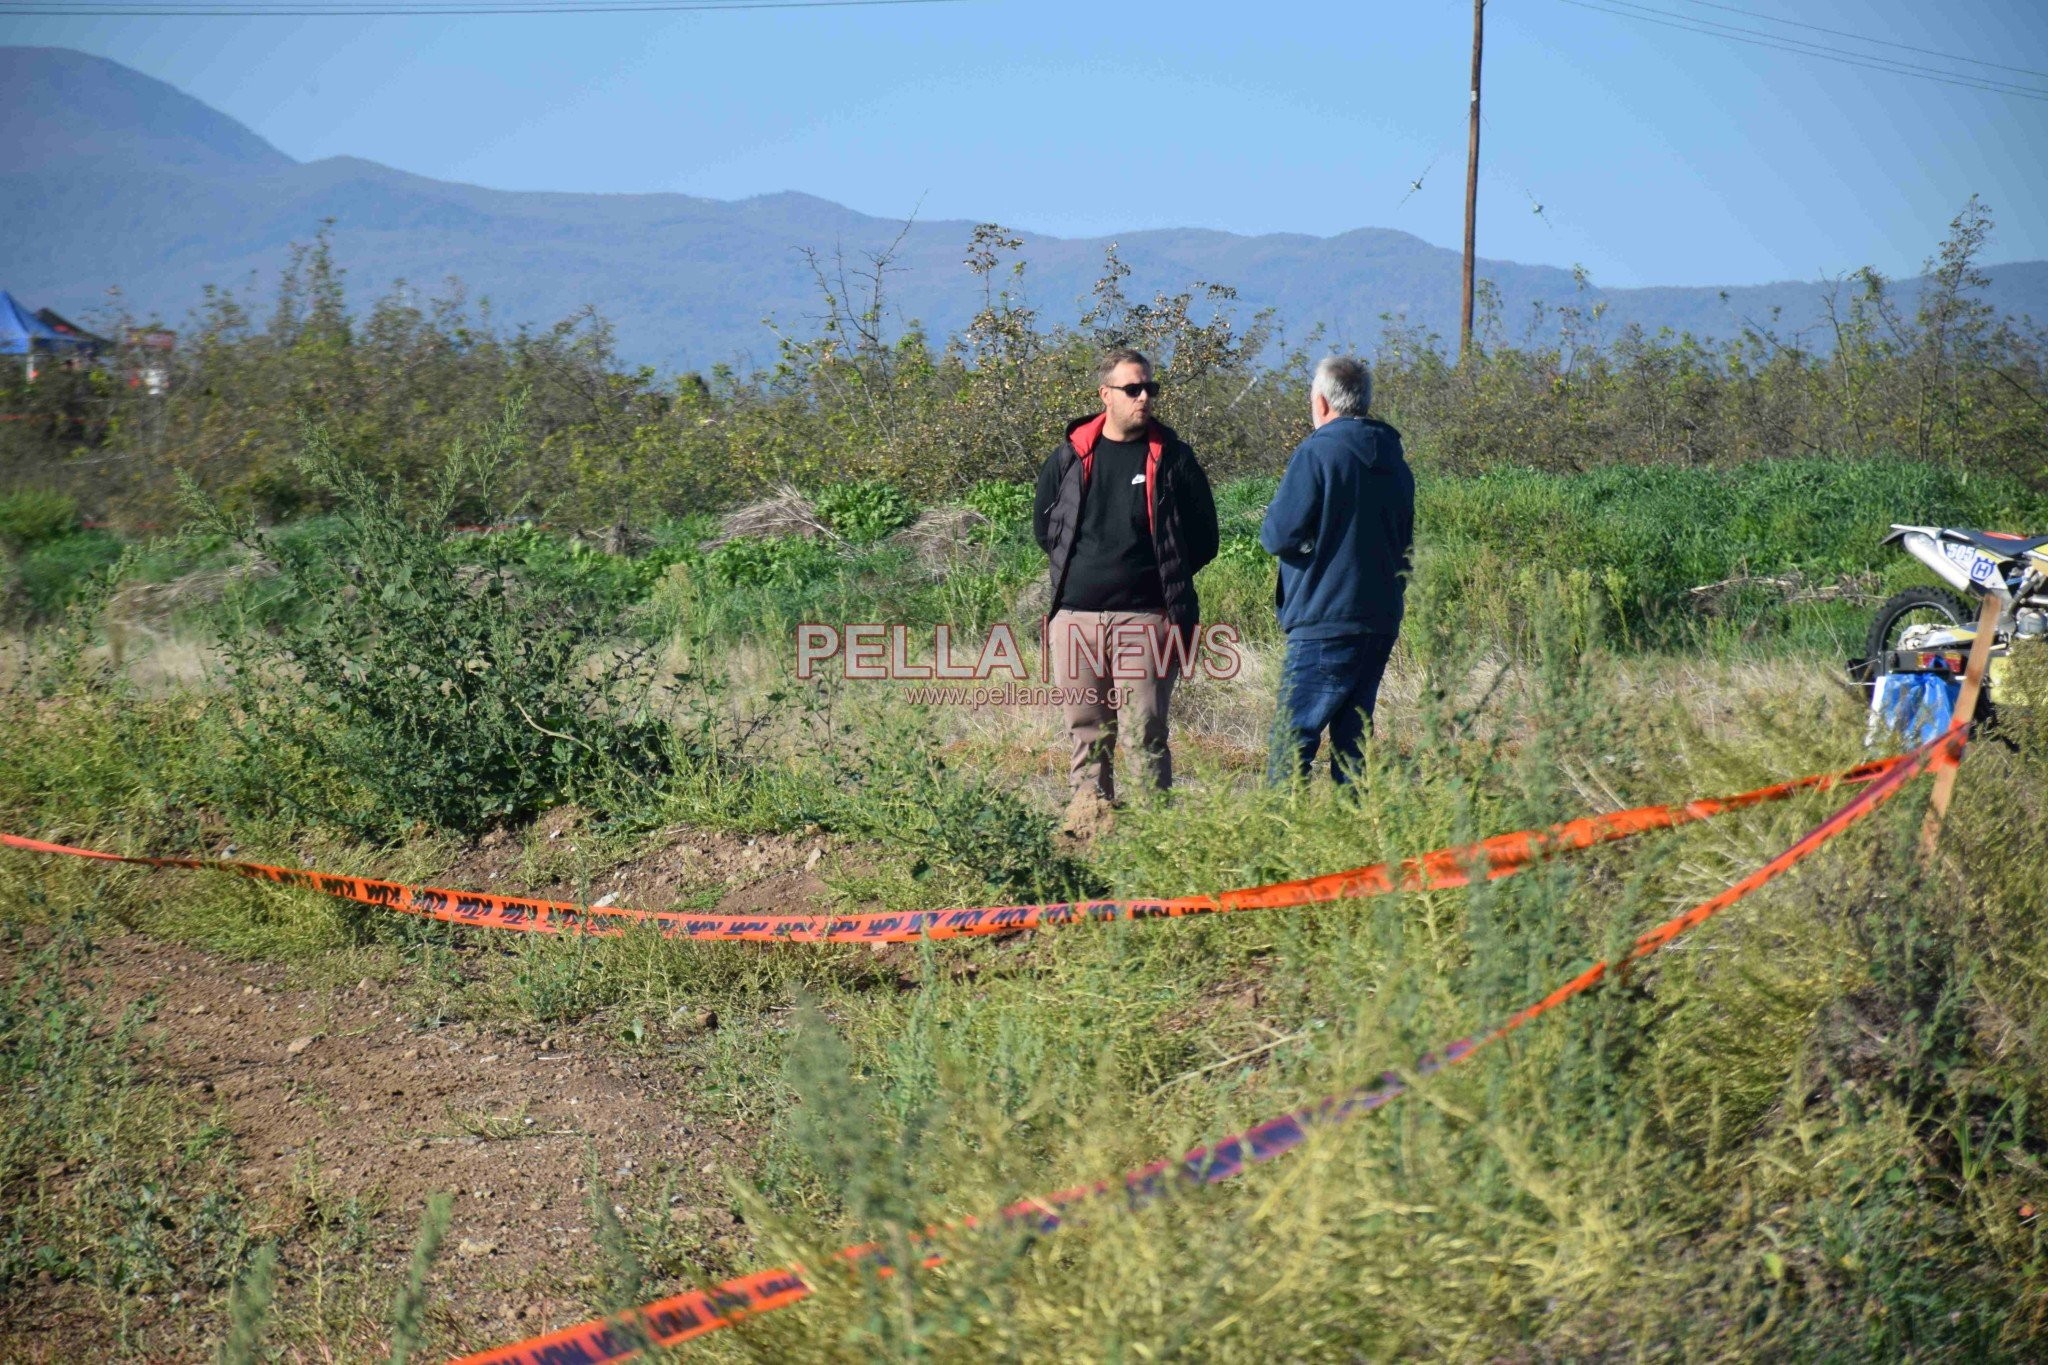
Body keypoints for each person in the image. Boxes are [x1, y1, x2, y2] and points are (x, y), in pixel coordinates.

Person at [1034, 348, 1218, 816]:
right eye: (1132, 389)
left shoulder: (1173, 458)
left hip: (1147, 618)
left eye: (1149, 389)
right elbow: (1046, 531)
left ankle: (1153, 841)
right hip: (1075, 619)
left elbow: (1205, 539)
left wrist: (1161, 581)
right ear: (1105, 395)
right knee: (1086, 729)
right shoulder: (1070, 456)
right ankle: (1090, 827)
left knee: (1145, 732)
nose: (1144, 398)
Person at [1260, 355, 1415, 785]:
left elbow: (1278, 535)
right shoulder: (1394, 458)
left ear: (1322, 402)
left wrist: (1311, 543)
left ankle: (1279, 841)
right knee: (1353, 748)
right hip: (1379, 619)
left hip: (1324, 619)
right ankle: (1357, 841)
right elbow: (1405, 544)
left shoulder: (1317, 452)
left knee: (1293, 746)